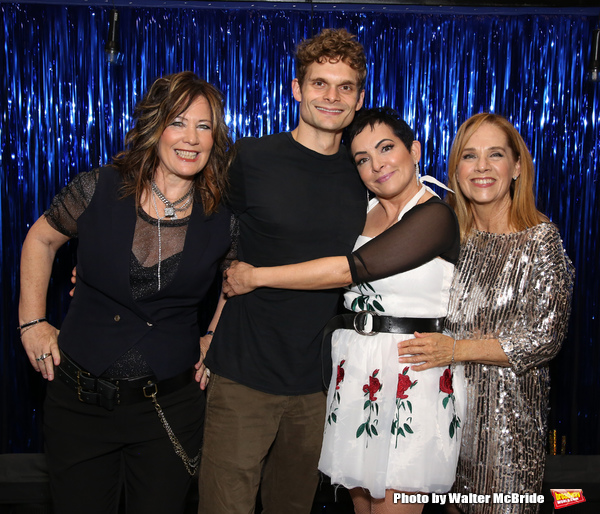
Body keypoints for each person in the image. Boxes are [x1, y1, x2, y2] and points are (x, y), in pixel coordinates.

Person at [224, 107, 465, 514]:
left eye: (386, 148)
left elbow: (348, 270)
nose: (377, 165)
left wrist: (256, 276)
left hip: (410, 374)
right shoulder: (365, 211)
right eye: (362, 159)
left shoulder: (435, 215)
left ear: (415, 150)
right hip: (357, 373)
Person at [18, 71, 233, 514]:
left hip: (169, 408)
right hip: (79, 402)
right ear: (155, 128)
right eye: (178, 122)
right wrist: (32, 322)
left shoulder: (224, 216)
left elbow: (238, 281)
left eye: (204, 125)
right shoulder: (98, 187)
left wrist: (215, 335)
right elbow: (40, 240)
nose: (191, 138)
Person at [198, 28, 367, 514]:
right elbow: (211, 241)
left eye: (345, 86)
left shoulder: (364, 172)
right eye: (319, 83)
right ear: (296, 88)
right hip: (243, 371)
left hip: (320, 381)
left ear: (359, 97)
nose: (331, 97)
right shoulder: (252, 158)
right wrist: (210, 329)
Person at [397, 113, 575, 513]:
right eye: (469, 156)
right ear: (456, 170)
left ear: (516, 167)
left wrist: (455, 349)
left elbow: (544, 339)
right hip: (443, 419)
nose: (481, 167)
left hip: (508, 429)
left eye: (495, 155)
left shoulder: (539, 240)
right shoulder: (447, 238)